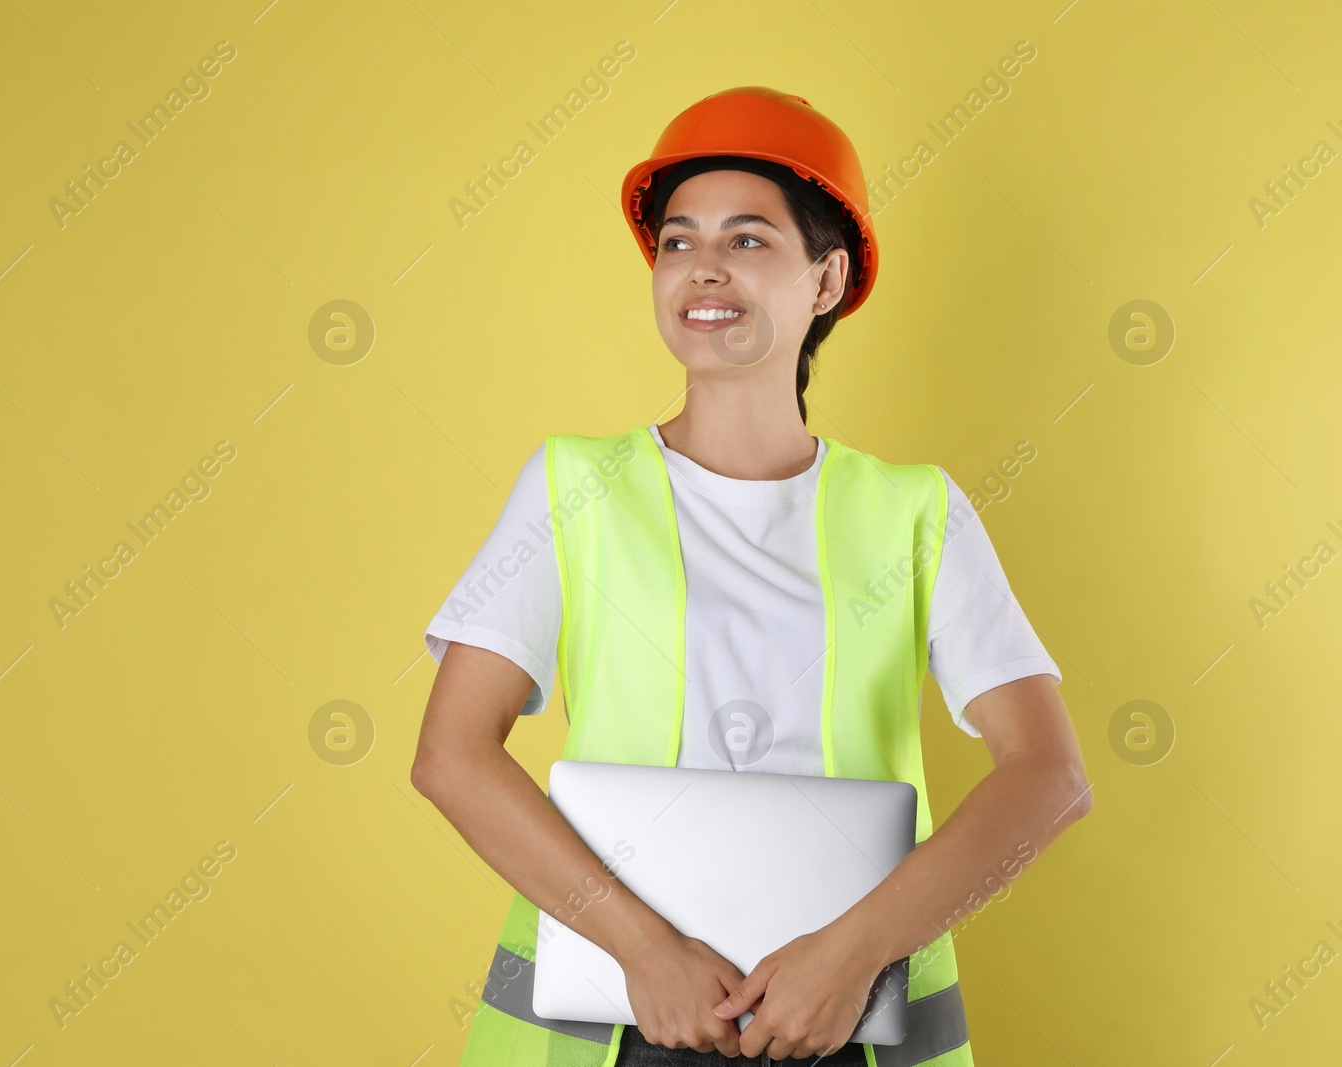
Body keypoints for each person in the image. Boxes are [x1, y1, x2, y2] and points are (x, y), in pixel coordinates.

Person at [412, 87, 1092, 1067]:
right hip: (608, 1024)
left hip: (849, 1029)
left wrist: (849, 955)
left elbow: (1048, 775)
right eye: (678, 242)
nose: (702, 270)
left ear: (825, 280)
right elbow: (451, 754)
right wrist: (646, 950)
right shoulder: (572, 485)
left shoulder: (914, 511)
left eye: (747, 240)